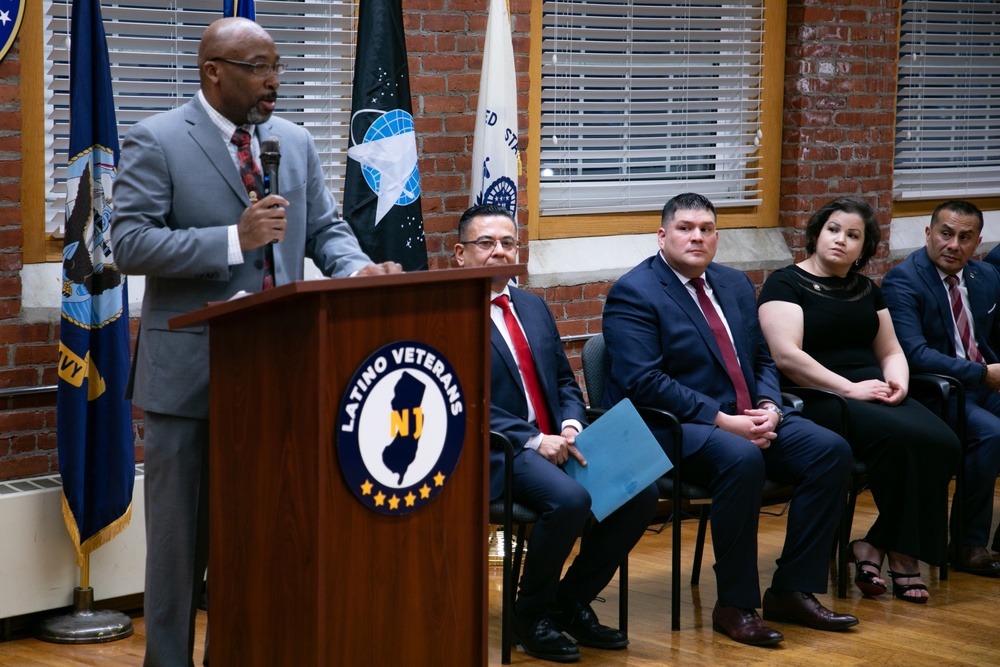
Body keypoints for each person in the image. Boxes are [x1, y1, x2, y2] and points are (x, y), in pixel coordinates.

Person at [110, 18, 401, 667]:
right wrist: (230, 240)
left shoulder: (292, 142)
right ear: (213, 70)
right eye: (257, 66)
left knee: (262, 538)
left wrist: (359, 269)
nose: (273, 80)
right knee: (181, 548)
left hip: (280, 372)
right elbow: (126, 244)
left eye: (276, 65)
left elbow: (325, 226)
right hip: (189, 375)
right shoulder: (157, 140)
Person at [603, 193, 857, 647]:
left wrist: (770, 405)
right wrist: (722, 420)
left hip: (749, 415)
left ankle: (792, 590)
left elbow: (761, 356)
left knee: (830, 450)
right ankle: (735, 604)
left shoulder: (735, 284)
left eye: (706, 228)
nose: (696, 236)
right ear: (662, 236)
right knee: (740, 459)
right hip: (673, 427)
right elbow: (643, 382)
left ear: (717, 237)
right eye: (685, 228)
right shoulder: (634, 292)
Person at [454, 204, 658, 663]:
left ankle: (569, 602)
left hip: (557, 436)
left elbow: (565, 382)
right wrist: (532, 438)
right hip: (493, 447)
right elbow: (460, 400)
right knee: (569, 500)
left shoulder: (531, 305)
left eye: (508, 244)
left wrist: (570, 423)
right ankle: (529, 617)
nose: (499, 253)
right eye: (485, 244)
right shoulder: (444, 314)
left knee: (640, 493)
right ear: (460, 254)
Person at [758, 196, 961, 605]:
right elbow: (787, 357)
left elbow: (890, 350)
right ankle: (903, 556)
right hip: (819, 396)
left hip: (872, 390)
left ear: (864, 247)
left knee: (946, 443)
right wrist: (849, 389)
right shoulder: (785, 282)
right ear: (816, 234)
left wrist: (898, 382)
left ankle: (876, 544)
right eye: (833, 230)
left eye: (853, 235)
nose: (841, 240)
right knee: (900, 441)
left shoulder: (866, 288)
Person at [882, 200, 1000, 576]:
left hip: (985, 384)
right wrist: (982, 375)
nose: (954, 245)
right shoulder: (904, 279)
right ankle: (967, 545)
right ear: (929, 233)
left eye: (965, 238)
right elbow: (914, 355)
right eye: (946, 234)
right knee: (990, 434)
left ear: (978, 241)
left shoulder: (986, 277)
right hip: (936, 392)